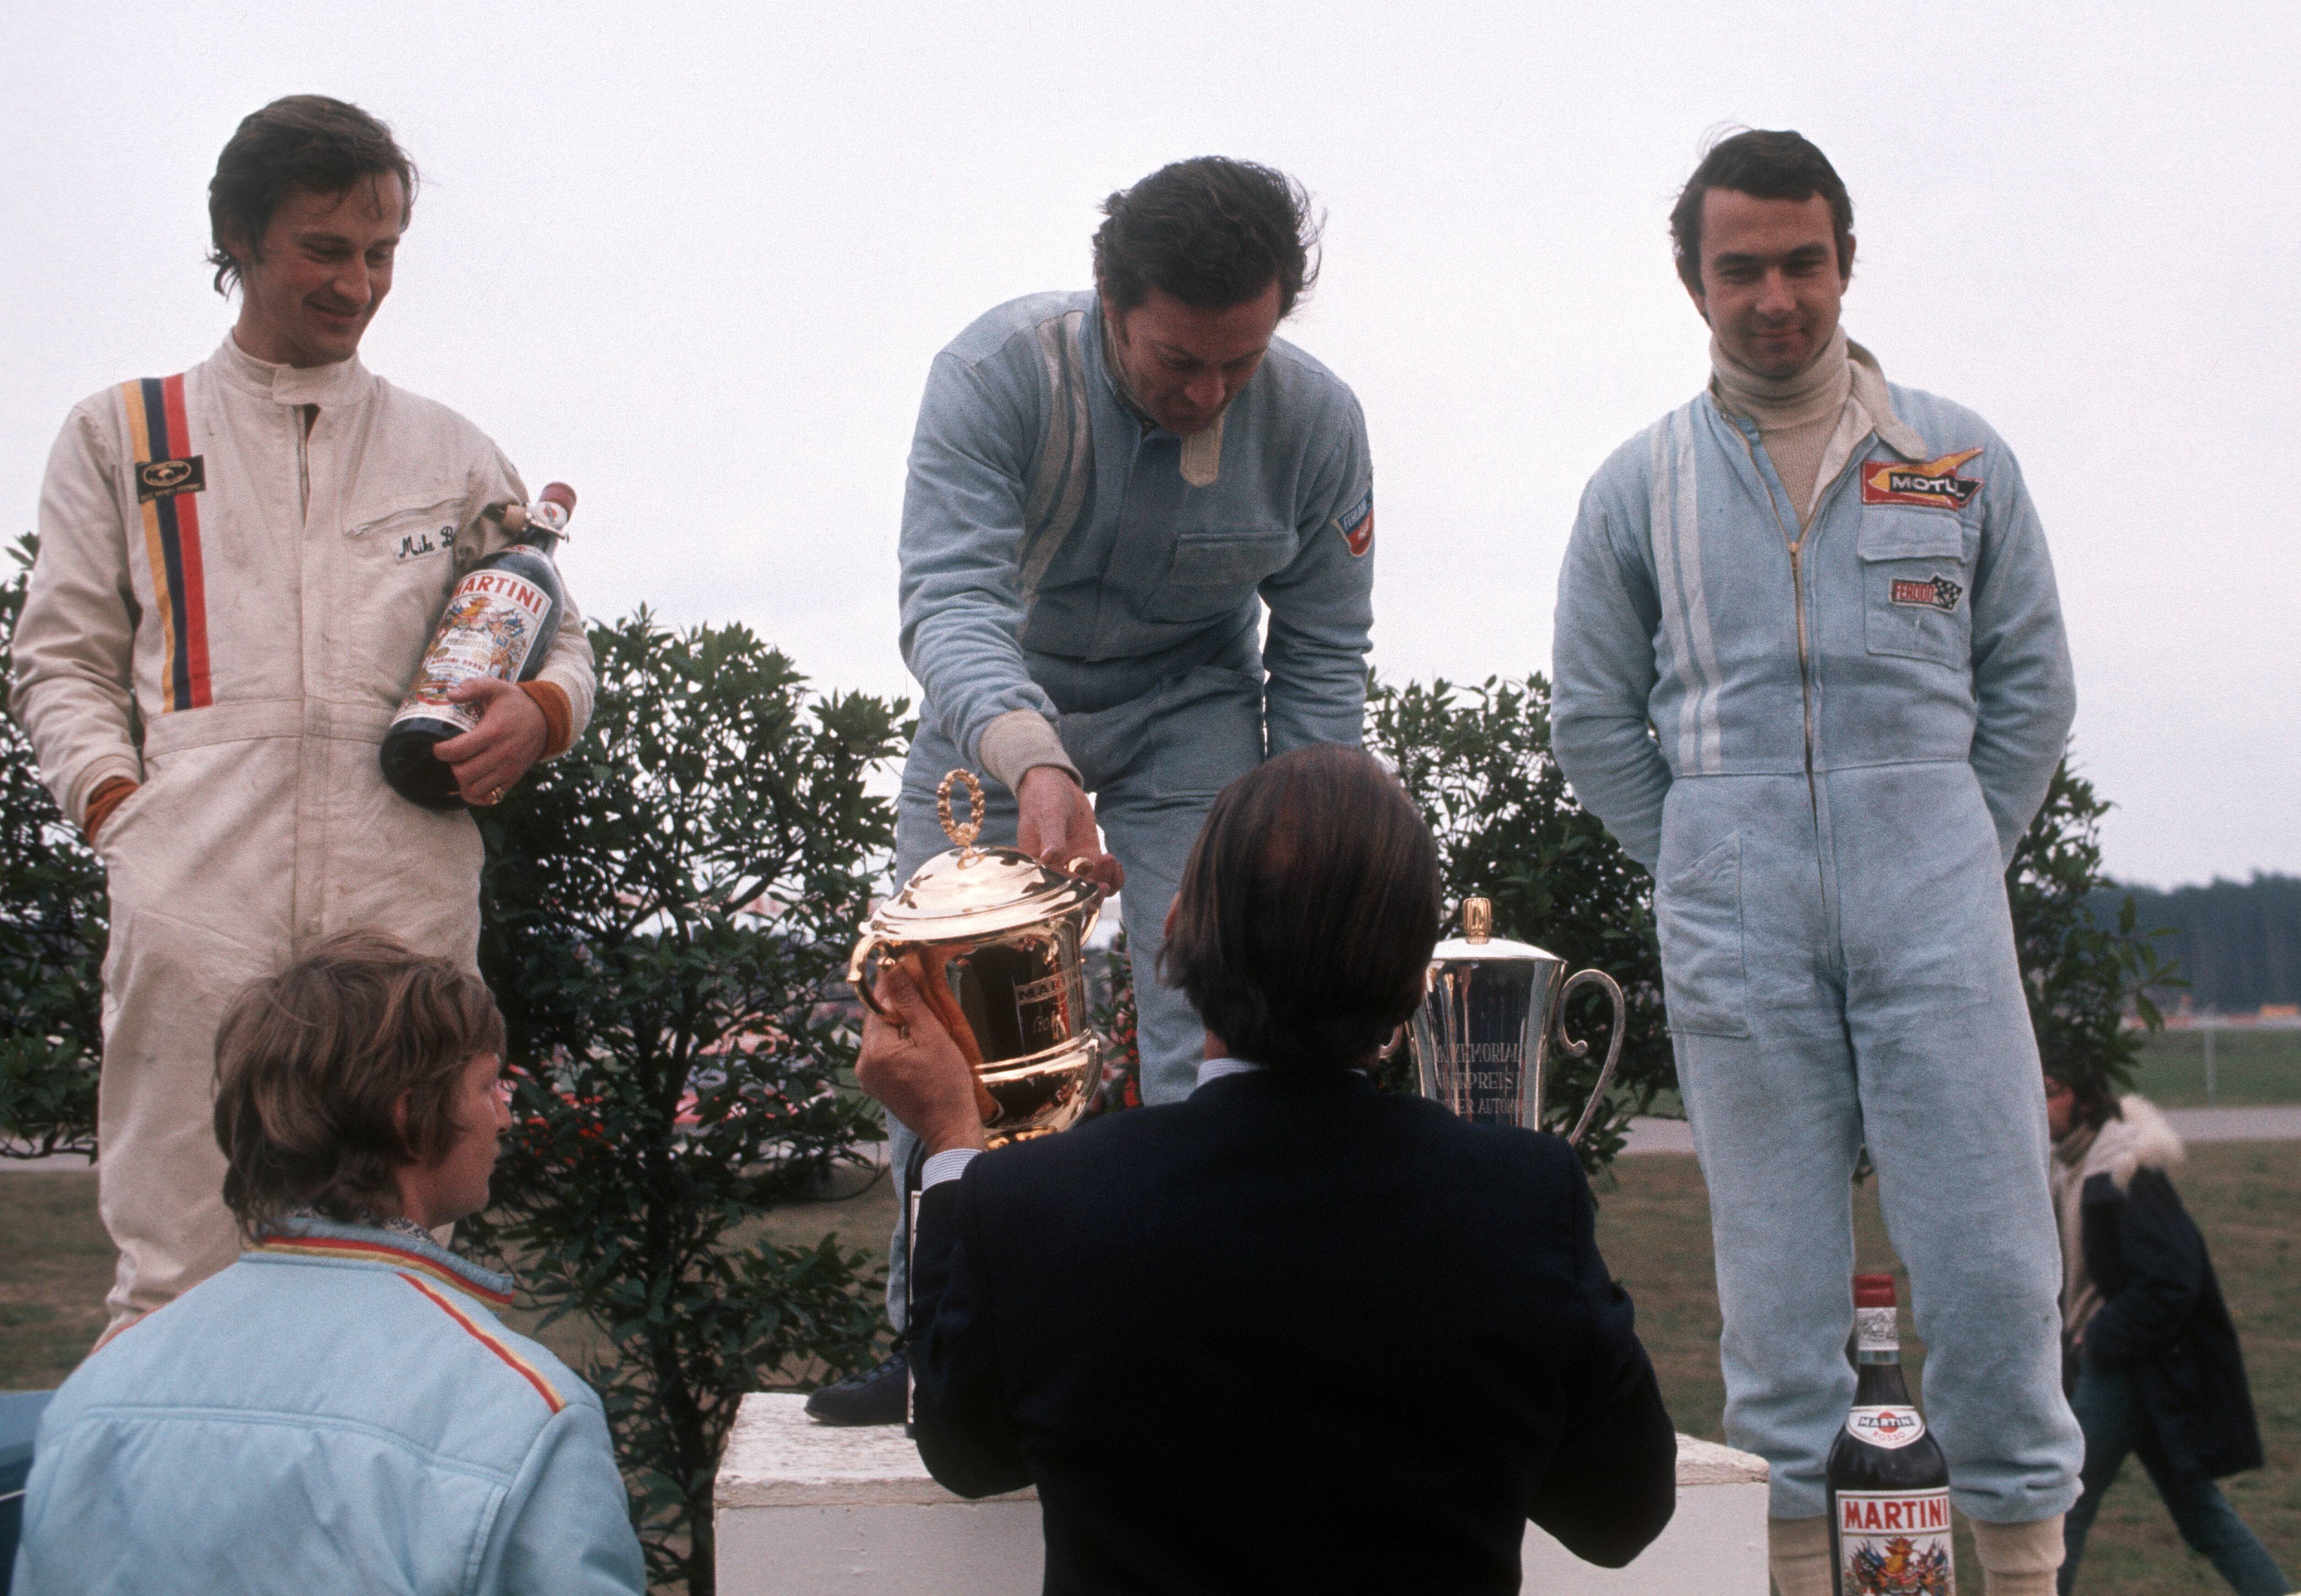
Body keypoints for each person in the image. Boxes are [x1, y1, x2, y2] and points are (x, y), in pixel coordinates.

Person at [1549, 128, 2083, 1596]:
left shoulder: (1956, 458)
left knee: (1989, 1270)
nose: (1774, 295)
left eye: (1801, 261)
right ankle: (1792, 1573)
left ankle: (2026, 1565)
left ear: (1844, 259)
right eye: (1740, 268)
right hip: (1735, 910)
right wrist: (1703, 855)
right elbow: (1592, 714)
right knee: (1775, 1294)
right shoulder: (1633, 486)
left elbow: (2028, 685)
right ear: (1691, 281)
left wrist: (1953, 841)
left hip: (1938, 904)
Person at [9, 96, 595, 1335]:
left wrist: (540, 714)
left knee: (402, 1270)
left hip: (403, 907)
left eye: (381, 251)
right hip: (192, 895)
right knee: (178, 1270)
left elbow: (562, 637)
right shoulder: (125, 434)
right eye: (326, 247)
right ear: (239, 236)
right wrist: (125, 815)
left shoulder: (450, 447)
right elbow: (58, 662)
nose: (358, 281)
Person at [813, 155, 1376, 1423]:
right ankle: (944, 1333)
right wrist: (1034, 755)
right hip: (1001, 708)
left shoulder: (1322, 422)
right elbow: (950, 599)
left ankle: (1215, 1319)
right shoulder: (995, 374)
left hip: (1198, 712)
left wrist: (1310, 831)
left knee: (1225, 1008)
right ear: (1109, 301)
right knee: (946, 1012)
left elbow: (1325, 650)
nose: (1210, 391)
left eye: (1242, 358)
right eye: (1178, 358)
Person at [855, 745, 1677, 1594]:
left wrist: (953, 1142)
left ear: (1176, 925)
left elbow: (963, 1449)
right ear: (1411, 977)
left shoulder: (1039, 1204)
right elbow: (1621, 1513)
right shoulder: (1519, 1199)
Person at [12, 933, 645, 1594]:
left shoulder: (93, 1395)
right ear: (410, 1117)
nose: (505, 1118)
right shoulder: (524, 1414)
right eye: (488, 1086)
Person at [2045, 1071, 2290, 1595]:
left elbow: (2171, 1278)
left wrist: (2101, 1337)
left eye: (2049, 1089)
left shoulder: (2126, 1169)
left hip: (2120, 1369)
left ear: (2085, 1099)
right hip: (2125, 1365)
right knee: (2202, 1514)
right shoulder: (2072, 1164)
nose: (2036, 1101)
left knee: (2062, 1508)